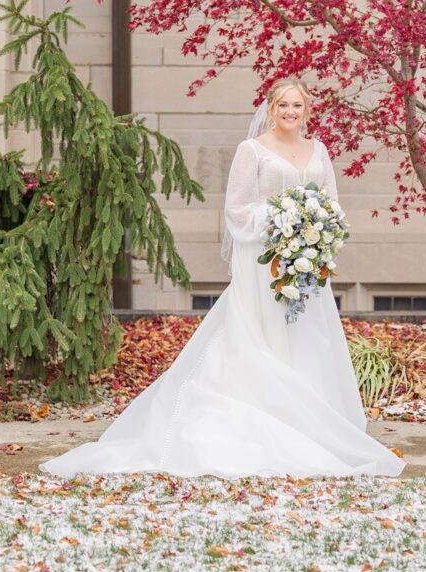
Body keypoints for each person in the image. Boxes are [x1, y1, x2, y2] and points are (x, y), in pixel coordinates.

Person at [41, 78, 404, 479]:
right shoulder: (252, 152)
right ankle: (264, 416)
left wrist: (317, 230)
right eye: (283, 105)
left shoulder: (318, 150)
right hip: (264, 266)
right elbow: (236, 210)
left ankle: (313, 422)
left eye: (297, 105)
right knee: (262, 339)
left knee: (307, 338)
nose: (290, 112)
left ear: (306, 109)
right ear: (270, 108)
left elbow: (332, 201)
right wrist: (283, 222)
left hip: (307, 266)